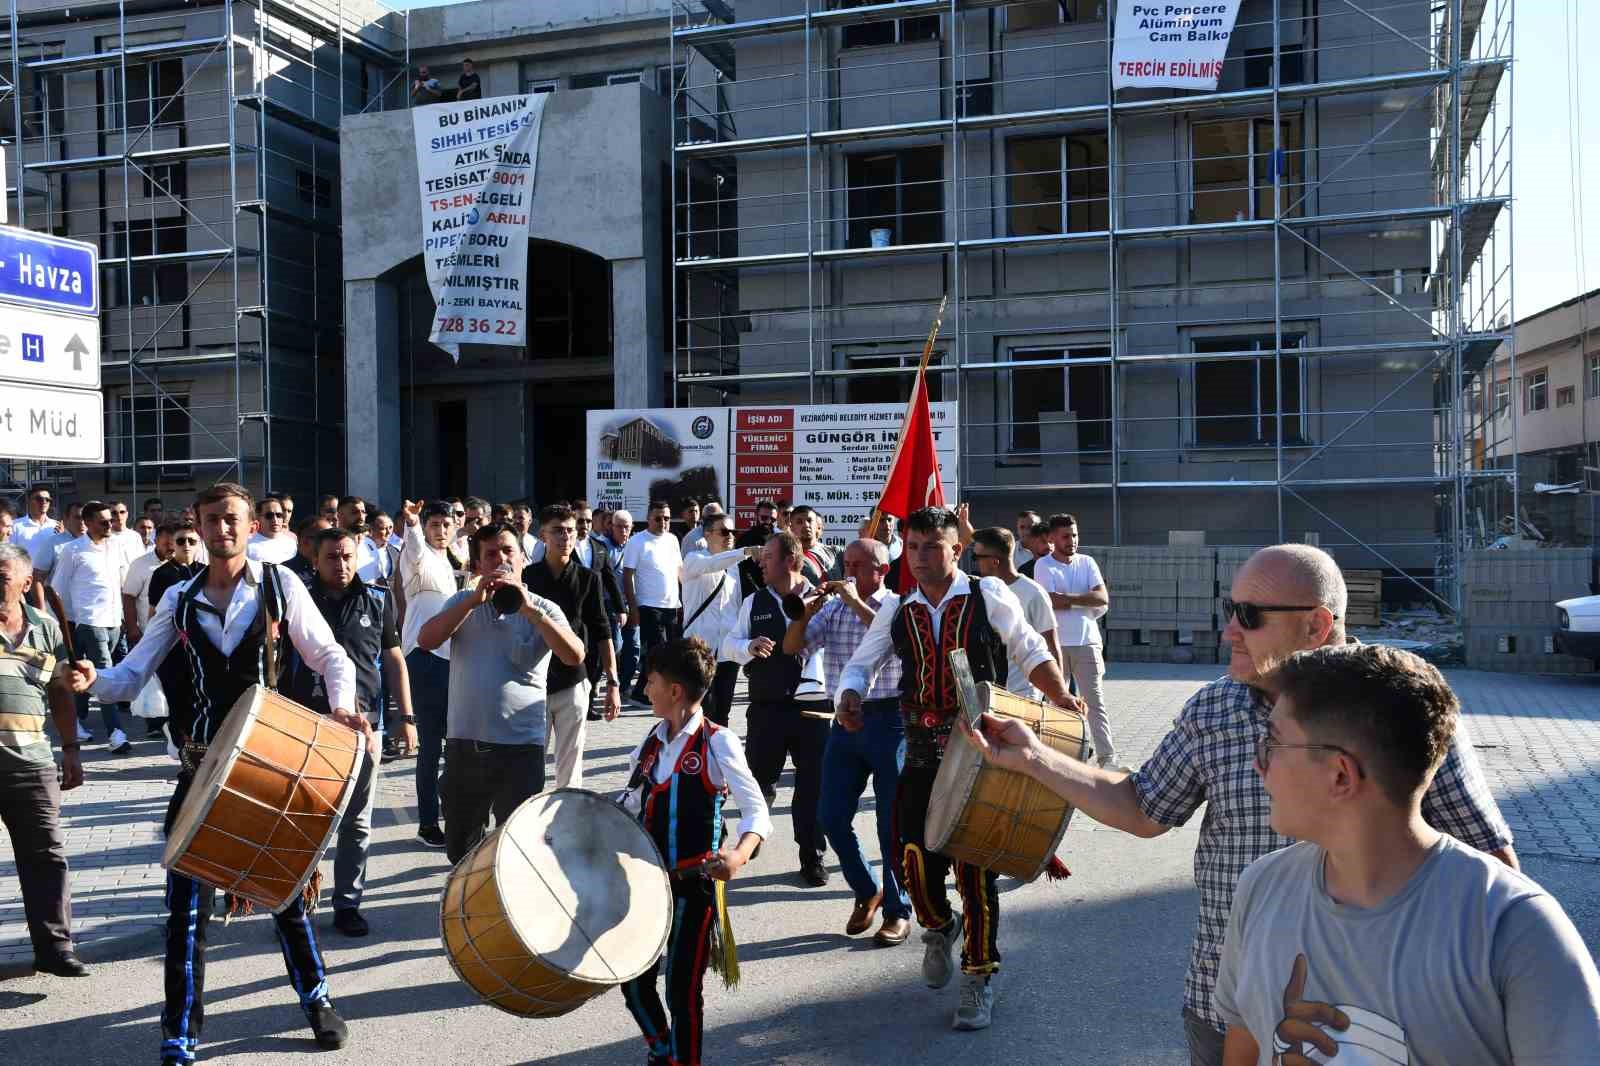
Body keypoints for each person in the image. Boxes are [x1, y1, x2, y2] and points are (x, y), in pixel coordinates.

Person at [961, 543, 1516, 1065]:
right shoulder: (1215, 711)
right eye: (1231, 610)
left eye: (1249, 616)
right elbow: (1142, 807)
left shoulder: (1399, 703)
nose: (1229, 631)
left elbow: (1489, 863)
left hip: (1377, 1017)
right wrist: (1034, 757)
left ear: (1316, 625)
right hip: (1227, 1003)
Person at [65, 482, 366, 1063]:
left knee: (285, 894)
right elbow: (130, 676)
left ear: (250, 526)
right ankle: (179, 1029)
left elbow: (329, 655)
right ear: (197, 529)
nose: (221, 529)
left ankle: (319, 1000)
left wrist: (342, 705)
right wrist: (91, 681)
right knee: (186, 908)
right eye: (211, 520)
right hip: (202, 770)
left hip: (269, 763)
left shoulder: (282, 585)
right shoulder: (177, 598)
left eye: (232, 519)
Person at [1204, 644, 1600, 1065]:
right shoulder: (1262, 888)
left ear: (1341, 775)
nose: (1258, 764)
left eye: (1273, 744)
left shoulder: (1514, 926)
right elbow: (1244, 1045)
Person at [836, 506, 1078, 1031]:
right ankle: (939, 925)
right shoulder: (898, 607)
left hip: (982, 751)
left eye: (932, 546)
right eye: (914, 546)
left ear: (956, 548)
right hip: (921, 750)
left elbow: (1029, 646)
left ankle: (979, 975)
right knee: (911, 859)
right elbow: (863, 662)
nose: (921, 557)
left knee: (974, 867)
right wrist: (850, 694)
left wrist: (1060, 693)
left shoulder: (988, 594)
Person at [620, 637, 769, 1066]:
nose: (645, 689)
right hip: (649, 886)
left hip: (695, 888)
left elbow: (756, 810)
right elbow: (630, 801)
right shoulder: (651, 739)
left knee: (681, 992)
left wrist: (739, 855)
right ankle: (664, 1051)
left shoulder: (717, 742)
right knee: (632, 984)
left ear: (675, 691)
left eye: (650, 682)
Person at [417, 521, 584, 863]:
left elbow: (574, 655)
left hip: (522, 748)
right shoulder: (463, 601)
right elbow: (426, 640)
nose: (501, 560)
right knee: (462, 847)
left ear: (522, 557)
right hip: (467, 745)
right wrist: (470, 603)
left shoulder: (543, 608)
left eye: (508, 551)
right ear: (478, 565)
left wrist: (530, 611)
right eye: (490, 554)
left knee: (518, 847)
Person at [280, 528, 414, 939]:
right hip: (306, 722)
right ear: (315, 561)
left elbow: (393, 660)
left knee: (357, 821)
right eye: (332, 558)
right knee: (301, 818)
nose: (341, 565)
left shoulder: (378, 598)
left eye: (348, 557)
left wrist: (405, 717)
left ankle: (348, 904)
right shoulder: (294, 597)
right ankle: (297, 901)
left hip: (362, 726)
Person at [784, 538, 911, 945]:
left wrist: (854, 600)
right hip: (844, 720)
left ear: (882, 570)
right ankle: (866, 888)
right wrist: (805, 612)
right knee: (830, 815)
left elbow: (894, 640)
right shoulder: (836, 605)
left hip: (890, 718)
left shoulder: (898, 604)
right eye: (847, 563)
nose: (850, 571)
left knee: (891, 823)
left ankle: (897, 909)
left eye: (860, 564)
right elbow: (791, 647)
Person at [0, 543, 89, 978]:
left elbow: (60, 693)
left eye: (2, 576)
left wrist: (71, 749)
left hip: (33, 761)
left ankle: (55, 948)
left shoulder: (47, 628)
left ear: (25, 583)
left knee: (47, 856)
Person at [722, 532, 830, 886]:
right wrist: (748, 646)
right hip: (767, 705)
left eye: (768, 556)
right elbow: (729, 645)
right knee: (759, 779)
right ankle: (756, 829)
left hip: (812, 710)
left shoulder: (823, 599)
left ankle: (811, 856)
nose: (761, 562)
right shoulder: (755, 602)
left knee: (812, 785)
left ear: (790, 561)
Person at [522, 503, 620, 789]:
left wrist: (612, 682)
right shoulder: (528, 578)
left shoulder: (588, 578)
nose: (565, 537)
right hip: (533, 683)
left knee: (570, 765)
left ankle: (567, 822)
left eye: (570, 531)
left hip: (575, 681)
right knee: (530, 763)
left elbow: (603, 630)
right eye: (558, 531)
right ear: (543, 535)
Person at [1031, 513, 1119, 768]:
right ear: (1052, 538)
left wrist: (1067, 599)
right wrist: (1083, 598)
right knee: (1055, 702)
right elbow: (1049, 601)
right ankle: (1054, 757)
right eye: (1066, 536)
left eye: (1075, 535)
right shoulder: (1043, 566)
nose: (1072, 540)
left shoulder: (1088, 562)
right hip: (1055, 644)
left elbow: (1102, 598)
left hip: (1087, 643)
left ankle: (1108, 758)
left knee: (1095, 702)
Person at [397, 500, 458, 848]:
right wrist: (413, 522)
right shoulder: (415, 554)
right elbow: (416, 544)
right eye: (434, 524)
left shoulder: (450, 562)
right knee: (430, 746)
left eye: (445, 524)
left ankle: (454, 814)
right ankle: (426, 823)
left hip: (450, 660)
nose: (440, 530)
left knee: (453, 745)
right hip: (424, 659)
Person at [51, 501, 133, 753]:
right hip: (90, 622)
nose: (110, 524)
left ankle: (76, 720)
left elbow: (122, 583)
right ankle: (115, 733)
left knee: (89, 674)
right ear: (87, 523)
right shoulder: (73, 550)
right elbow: (59, 589)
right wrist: (72, 624)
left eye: (111, 520)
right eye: (103, 521)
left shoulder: (116, 546)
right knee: (104, 674)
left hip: (114, 621)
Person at [679, 512, 754, 727]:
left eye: (733, 532)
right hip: (700, 648)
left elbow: (736, 605)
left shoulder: (733, 566)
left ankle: (717, 756)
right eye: (724, 531)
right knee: (700, 709)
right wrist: (746, 551)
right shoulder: (694, 559)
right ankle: (694, 755)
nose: (730, 536)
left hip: (727, 649)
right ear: (707, 534)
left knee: (723, 710)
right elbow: (712, 565)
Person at [970, 527, 1060, 700]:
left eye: (977, 557)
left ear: (994, 561)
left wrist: (1056, 696)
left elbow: (1052, 646)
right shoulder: (981, 591)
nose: (975, 563)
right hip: (991, 693)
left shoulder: (1034, 593)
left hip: (1024, 694)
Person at [623, 501, 683, 707]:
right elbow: (627, 575)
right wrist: (632, 607)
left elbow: (679, 572)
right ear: (648, 518)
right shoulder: (637, 541)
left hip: (671, 605)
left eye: (666, 518)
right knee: (658, 652)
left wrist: (683, 601)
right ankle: (641, 692)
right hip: (648, 606)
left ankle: (647, 691)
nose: (663, 522)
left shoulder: (673, 540)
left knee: (666, 652)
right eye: (658, 518)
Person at [123, 521, 177, 736]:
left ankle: (173, 722)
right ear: (157, 541)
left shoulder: (187, 565)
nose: (172, 549)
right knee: (152, 678)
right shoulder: (141, 565)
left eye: (176, 544)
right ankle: (154, 723)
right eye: (167, 544)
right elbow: (128, 596)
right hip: (149, 632)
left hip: (178, 633)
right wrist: (132, 627)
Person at [573, 500, 625, 720]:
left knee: (595, 660)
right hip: (572, 613)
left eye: (586, 521)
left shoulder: (599, 548)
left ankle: (589, 700)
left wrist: (621, 608)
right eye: (579, 521)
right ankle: (576, 700)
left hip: (595, 612)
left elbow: (610, 579)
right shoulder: (561, 547)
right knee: (577, 657)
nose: (582, 525)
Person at [607, 509, 641, 703]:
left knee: (634, 647)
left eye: (626, 527)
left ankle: (625, 685)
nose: (623, 530)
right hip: (612, 604)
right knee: (617, 645)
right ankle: (614, 680)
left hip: (633, 603)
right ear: (611, 527)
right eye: (619, 526)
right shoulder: (604, 548)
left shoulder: (635, 547)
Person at [787, 505, 837, 583]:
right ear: (791, 528)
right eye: (799, 522)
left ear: (817, 525)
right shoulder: (785, 557)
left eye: (809, 520)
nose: (806, 525)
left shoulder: (835, 552)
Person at [12, 484, 60, 561]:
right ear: (29, 501)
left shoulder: (56, 525)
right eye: (39, 499)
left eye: (47, 499)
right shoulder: (15, 525)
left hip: (52, 572)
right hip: (25, 572)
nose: (44, 502)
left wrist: (63, 537)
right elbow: (9, 553)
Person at [247, 494, 296, 564]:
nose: (275, 520)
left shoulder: (292, 543)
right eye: (269, 515)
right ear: (257, 517)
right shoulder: (247, 544)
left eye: (279, 515)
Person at [285, 516, 331, 586]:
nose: (331, 542)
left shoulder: (332, 567)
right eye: (326, 537)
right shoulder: (286, 571)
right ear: (305, 541)